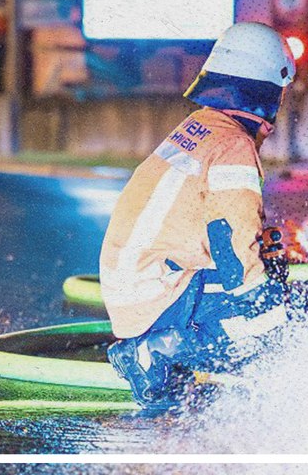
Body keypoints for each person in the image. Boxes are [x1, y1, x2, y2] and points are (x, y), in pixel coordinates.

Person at [101, 22, 295, 408]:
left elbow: (202, 220)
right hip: (156, 291)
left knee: (261, 289)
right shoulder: (234, 145)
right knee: (269, 322)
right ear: (267, 89)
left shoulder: (199, 127)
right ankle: (154, 353)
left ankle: (166, 348)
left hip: (137, 281)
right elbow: (229, 238)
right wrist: (265, 303)